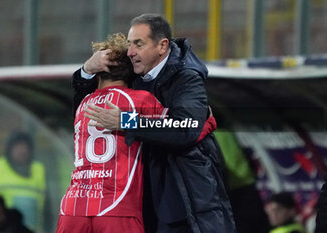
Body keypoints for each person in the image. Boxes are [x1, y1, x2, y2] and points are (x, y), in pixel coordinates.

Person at [74, 13, 236, 233]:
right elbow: (87, 110)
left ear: (162, 46)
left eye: (138, 44)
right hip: (148, 197)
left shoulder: (186, 77)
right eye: (130, 45)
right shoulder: (137, 77)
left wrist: (126, 120)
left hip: (187, 197)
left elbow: (185, 127)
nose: (131, 52)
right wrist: (86, 70)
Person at [56, 33, 168, 233]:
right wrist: (207, 119)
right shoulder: (140, 101)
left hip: (73, 208)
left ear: (99, 72)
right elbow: (182, 127)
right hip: (116, 208)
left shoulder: (83, 105)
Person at [0, 131, 49, 233]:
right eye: (18, 146)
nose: (22, 151)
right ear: (10, 149)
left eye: (26, 147)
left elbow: (48, 209)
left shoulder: (39, 170)